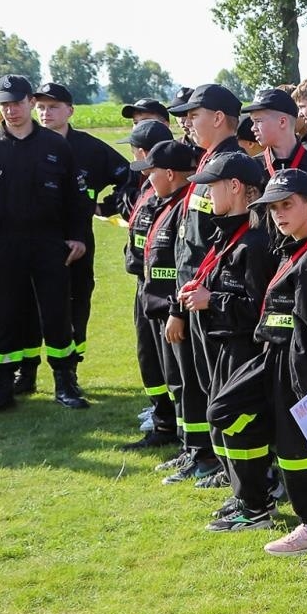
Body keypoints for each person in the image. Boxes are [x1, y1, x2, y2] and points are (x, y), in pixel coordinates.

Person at [0, 75, 91, 412]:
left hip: (49, 245)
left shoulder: (56, 146)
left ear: (30, 102)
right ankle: (3, 387)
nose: (10, 110)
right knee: (5, 317)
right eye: (4, 103)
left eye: (16, 102)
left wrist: (76, 236)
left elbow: (76, 199)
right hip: (3, 248)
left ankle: (65, 383)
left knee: (57, 317)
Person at [246, 168, 307, 549]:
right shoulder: (293, 249)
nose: (279, 214)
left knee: (298, 449)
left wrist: (304, 388)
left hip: (300, 370)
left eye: (288, 205)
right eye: (273, 209)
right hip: (279, 360)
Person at [180, 152, 274, 531]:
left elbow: (258, 308)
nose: (205, 194)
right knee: (222, 422)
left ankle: (256, 508)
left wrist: (211, 300)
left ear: (235, 187)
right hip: (221, 344)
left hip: (243, 349)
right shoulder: (227, 234)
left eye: (212, 185)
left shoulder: (255, 242)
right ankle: (243, 494)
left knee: (240, 425)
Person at [164, 83, 245, 486]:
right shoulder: (209, 162)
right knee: (201, 381)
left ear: (217, 118)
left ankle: (225, 467)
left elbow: (213, 245)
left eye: (194, 115)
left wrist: (185, 304)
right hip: (193, 296)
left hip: (208, 298)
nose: (187, 123)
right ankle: (208, 457)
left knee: (216, 384)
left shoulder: (229, 165)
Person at [30, 82, 130, 373]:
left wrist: (105, 207)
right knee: (30, 303)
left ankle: (71, 365)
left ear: (70, 111)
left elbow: (130, 177)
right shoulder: (24, 144)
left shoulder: (90, 148)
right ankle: (28, 369)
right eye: (41, 107)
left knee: (76, 300)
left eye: (53, 107)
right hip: (35, 238)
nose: (46, 113)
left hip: (78, 240)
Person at [131, 137, 200, 454]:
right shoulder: (168, 203)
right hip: (159, 309)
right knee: (173, 381)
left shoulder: (185, 208)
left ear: (171, 173)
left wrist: (176, 310)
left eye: (152, 171)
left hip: (175, 312)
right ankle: (184, 445)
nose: (148, 177)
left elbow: (187, 267)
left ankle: (195, 450)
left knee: (184, 384)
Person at [120, 121, 184, 449]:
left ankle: (175, 429)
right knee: (149, 357)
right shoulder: (151, 190)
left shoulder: (174, 198)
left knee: (171, 367)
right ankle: (162, 418)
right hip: (146, 287)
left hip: (167, 295)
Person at [246, 88, 307, 182]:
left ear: (282, 122)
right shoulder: (252, 167)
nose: (253, 128)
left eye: (258, 121)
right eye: (253, 122)